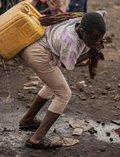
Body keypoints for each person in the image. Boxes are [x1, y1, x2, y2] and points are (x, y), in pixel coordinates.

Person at [20, 11, 107, 149]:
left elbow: (102, 14)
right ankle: (37, 139)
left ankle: (28, 120)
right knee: (64, 94)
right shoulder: (70, 40)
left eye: (98, 39)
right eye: (92, 39)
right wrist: (90, 53)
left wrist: (94, 40)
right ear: (82, 31)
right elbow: (68, 64)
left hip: (38, 47)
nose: (95, 42)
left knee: (52, 86)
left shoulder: (81, 19)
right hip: (39, 54)